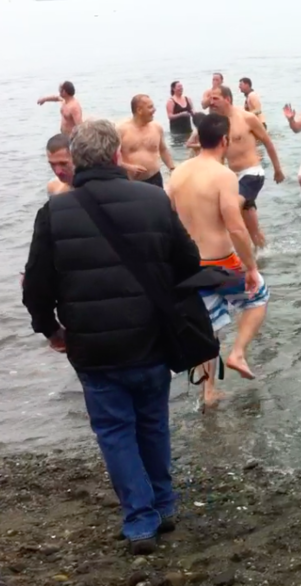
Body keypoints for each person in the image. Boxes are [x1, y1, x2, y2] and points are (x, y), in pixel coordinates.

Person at [22, 119, 203, 556]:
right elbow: (189, 261)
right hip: (152, 337)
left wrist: (51, 329)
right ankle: (163, 503)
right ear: (118, 155)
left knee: (115, 431)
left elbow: (37, 286)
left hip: (93, 345)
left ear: (77, 160)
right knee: (153, 421)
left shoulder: (55, 212)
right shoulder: (154, 199)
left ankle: (140, 520)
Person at [166, 114, 267, 409]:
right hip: (220, 263)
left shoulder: (179, 172)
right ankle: (237, 353)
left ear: (197, 139)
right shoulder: (223, 176)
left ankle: (208, 392)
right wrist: (251, 266)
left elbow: (170, 216)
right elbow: (235, 227)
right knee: (258, 296)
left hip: (188, 264)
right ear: (224, 141)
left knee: (208, 324)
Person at [190, 86, 285, 248]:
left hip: (252, 173)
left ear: (227, 99)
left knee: (230, 207)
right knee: (249, 220)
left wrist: (277, 169)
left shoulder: (247, 118)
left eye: (215, 98)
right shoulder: (215, 122)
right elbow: (194, 143)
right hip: (232, 176)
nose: (210, 102)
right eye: (210, 98)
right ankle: (262, 251)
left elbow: (268, 142)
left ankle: (232, 249)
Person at [118, 94, 176, 187]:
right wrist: (129, 167)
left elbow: (163, 150)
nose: (154, 110)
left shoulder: (157, 127)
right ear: (139, 110)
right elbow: (112, 158)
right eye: (150, 107)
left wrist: (172, 169)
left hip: (155, 178)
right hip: (131, 181)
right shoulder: (121, 130)